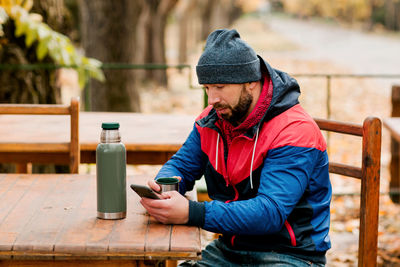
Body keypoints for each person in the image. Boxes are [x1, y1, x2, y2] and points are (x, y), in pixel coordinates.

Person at [140, 29, 331, 266]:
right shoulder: (212, 120)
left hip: (289, 256)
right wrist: (163, 188)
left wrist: (192, 212)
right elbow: (182, 165)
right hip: (228, 251)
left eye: (220, 86)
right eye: (207, 88)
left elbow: (269, 213)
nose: (212, 99)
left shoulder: (294, 131)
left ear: (251, 81)